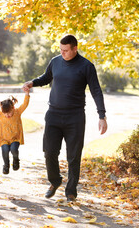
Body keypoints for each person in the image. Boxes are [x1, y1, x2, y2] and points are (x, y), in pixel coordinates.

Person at [22, 34, 107, 202]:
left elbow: (96, 90)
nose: (63, 54)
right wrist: (32, 82)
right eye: (61, 50)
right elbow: (46, 78)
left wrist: (102, 115)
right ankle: (55, 181)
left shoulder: (86, 66)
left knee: (74, 156)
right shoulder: (55, 61)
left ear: (75, 48)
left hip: (75, 117)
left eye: (66, 51)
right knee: (49, 152)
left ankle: (71, 191)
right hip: (53, 114)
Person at [0, 91, 30, 175]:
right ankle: (6, 165)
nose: (7, 115)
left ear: (13, 107)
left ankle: (16, 160)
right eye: (5, 114)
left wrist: (27, 94)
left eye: (9, 113)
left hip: (15, 138)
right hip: (4, 138)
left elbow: (25, 104)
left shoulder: (17, 112)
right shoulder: (0, 113)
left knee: (14, 149)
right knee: (5, 150)